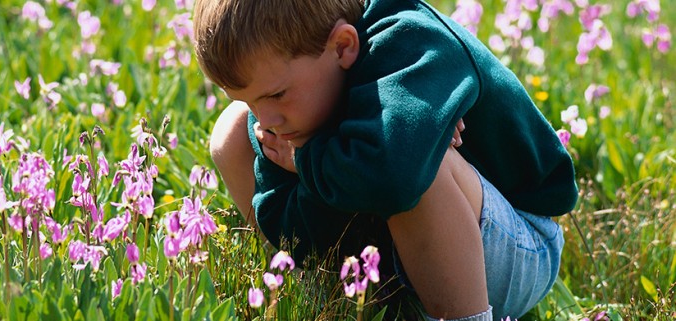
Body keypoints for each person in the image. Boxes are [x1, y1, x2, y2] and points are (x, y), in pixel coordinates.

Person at [193, 0, 579, 320]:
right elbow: (292, 231)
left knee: (413, 164)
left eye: (276, 95)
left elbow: (393, 179)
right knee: (230, 133)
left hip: (515, 248)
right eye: (250, 100)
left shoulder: (411, 40)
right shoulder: (282, 118)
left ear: (344, 46)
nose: (266, 120)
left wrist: (309, 159)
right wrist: (315, 153)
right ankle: (305, 291)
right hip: (388, 259)